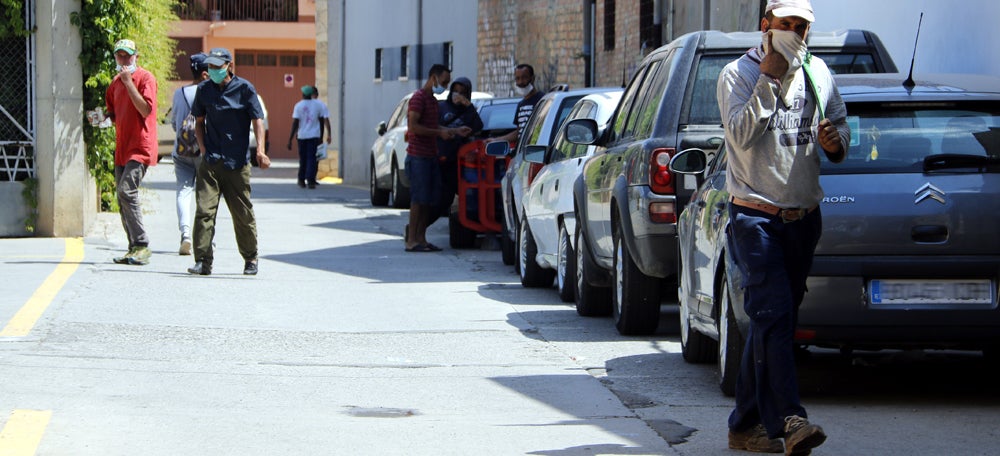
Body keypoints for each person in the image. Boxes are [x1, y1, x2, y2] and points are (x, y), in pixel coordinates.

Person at [716, 1, 848, 454]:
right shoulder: (739, 74)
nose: (794, 33)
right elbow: (738, 134)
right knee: (773, 316)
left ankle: (743, 425)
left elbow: (840, 127)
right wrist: (770, 80)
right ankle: (791, 419)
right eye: (785, 25)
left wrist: (837, 144)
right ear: (765, 27)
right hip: (756, 217)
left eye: (801, 26)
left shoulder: (819, 72)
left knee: (773, 321)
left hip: (802, 218)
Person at [187, 47, 270, 276]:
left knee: (242, 213)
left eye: (217, 66)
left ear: (229, 67)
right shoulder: (204, 90)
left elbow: (257, 120)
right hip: (211, 162)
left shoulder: (245, 89)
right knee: (204, 211)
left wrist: (260, 151)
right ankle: (203, 261)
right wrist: (203, 150)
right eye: (210, 66)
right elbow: (198, 123)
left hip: (237, 163)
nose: (212, 70)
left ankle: (250, 258)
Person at [404, 64, 471, 252]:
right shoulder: (418, 99)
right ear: (433, 78)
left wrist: (454, 131)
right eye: (443, 82)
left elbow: (436, 126)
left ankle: (421, 239)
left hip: (430, 155)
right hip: (418, 157)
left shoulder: (433, 101)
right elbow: (414, 127)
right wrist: (438, 134)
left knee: (429, 200)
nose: (445, 86)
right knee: (418, 199)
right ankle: (411, 240)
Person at [105, 39, 158, 266]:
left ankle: (142, 244)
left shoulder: (145, 78)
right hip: (122, 147)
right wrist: (102, 118)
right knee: (121, 195)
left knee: (127, 190)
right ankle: (132, 247)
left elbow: (146, 109)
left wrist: (128, 83)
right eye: (120, 56)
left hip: (140, 146)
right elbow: (113, 114)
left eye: (127, 55)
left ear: (136, 55)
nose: (124, 60)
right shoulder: (115, 83)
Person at [170, 52, 208, 256]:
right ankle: (204, 237)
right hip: (204, 151)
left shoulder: (179, 93)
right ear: (204, 73)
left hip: (182, 150)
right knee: (205, 194)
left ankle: (185, 234)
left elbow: (175, 122)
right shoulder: (209, 93)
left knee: (183, 192)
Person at [433, 77, 483, 223]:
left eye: (462, 92)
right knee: (438, 197)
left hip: (459, 161)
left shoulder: (468, 110)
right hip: (441, 158)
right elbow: (433, 127)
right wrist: (454, 131)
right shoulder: (441, 107)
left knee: (455, 196)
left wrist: (468, 105)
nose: (458, 95)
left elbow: (478, 126)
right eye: (456, 91)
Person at [492, 64, 544, 146]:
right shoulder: (521, 104)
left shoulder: (542, 100)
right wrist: (496, 140)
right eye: (517, 78)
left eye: (524, 77)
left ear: (532, 78)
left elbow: (542, 127)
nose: (520, 82)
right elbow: (519, 132)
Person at [287, 85, 326, 188]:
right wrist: (321, 136)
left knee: (303, 158)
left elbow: (295, 123)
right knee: (311, 158)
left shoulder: (298, 106)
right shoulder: (318, 105)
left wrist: (290, 139)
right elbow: (322, 122)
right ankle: (311, 180)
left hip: (302, 136)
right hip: (314, 136)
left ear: (303, 94)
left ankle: (301, 179)